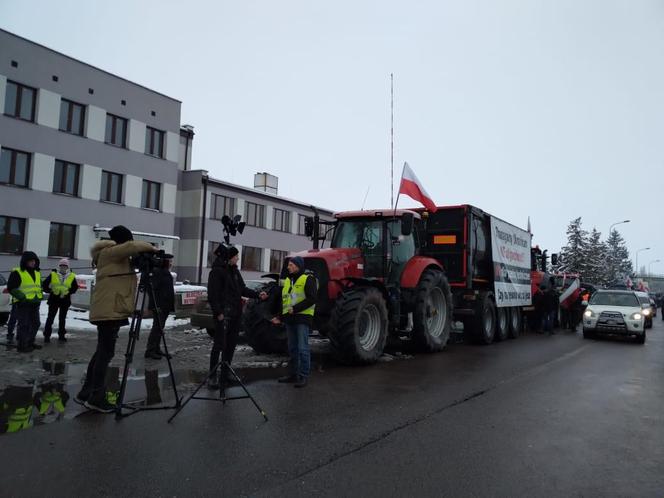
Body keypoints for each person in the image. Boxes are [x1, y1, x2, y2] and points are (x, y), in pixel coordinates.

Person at [75, 226, 156, 413]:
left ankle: (86, 392)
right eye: (128, 240)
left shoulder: (113, 256)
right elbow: (133, 246)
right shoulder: (110, 252)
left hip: (111, 309)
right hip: (108, 310)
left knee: (102, 352)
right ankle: (96, 396)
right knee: (105, 353)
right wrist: (153, 249)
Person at [207, 244, 268, 389]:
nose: (238, 259)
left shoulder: (234, 271)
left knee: (230, 346)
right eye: (235, 256)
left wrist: (258, 295)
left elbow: (242, 289)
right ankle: (213, 376)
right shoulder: (216, 272)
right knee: (219, 345)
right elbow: (213, 295)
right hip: (223, 315)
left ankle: (226, 374)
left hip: (235, 314)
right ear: (229, 257)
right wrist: (218, 313)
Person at [272, 256, 317, 388]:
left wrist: (296, 309)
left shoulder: (308, 279)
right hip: (290, 319)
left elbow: (312, 299)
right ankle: (293, 374)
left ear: (298, 266)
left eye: (291, 265)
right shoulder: (288, 280)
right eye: (289, 265)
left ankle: (303, 376)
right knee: (292, 348)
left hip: (302, 318)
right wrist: (280, 317)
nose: (288, 267)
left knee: (303, 348)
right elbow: (285, 302)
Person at [6, 252, 43, 352]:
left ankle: (30, 342)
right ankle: (22, 345)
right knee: (24, 325)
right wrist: (22, 298)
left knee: (36, 323)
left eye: (34, 261)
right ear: (25, 261)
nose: (33, 263)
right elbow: (11, 287)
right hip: (23, 304)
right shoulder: (17, 272)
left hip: (34, 303)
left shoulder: (37, 272)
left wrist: (40, 297)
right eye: (31, 261)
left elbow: (39, 287)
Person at [144, 258, 175, 360]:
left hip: (165, 305)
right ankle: (150, 350)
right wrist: (154, 305)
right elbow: (153, 290)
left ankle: (156, 348)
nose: (171, 264)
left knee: (160, 328)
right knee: (157, 328)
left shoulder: (165, 273)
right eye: (169, 262)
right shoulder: (159, 273)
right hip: (160, 305)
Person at [42, 258, 78, 343]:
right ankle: (47, 336)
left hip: (65, 300)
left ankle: (61, 336)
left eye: (65, 266)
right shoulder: (53, 274)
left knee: (62, 319)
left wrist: (68, 292)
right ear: (59, 266)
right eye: (62, 266)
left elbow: (75, 287)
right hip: (54, 299)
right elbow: (44, 284)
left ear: (68, 267)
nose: (63, 267)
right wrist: (50, 291)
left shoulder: (71, 276)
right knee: (50, 318)